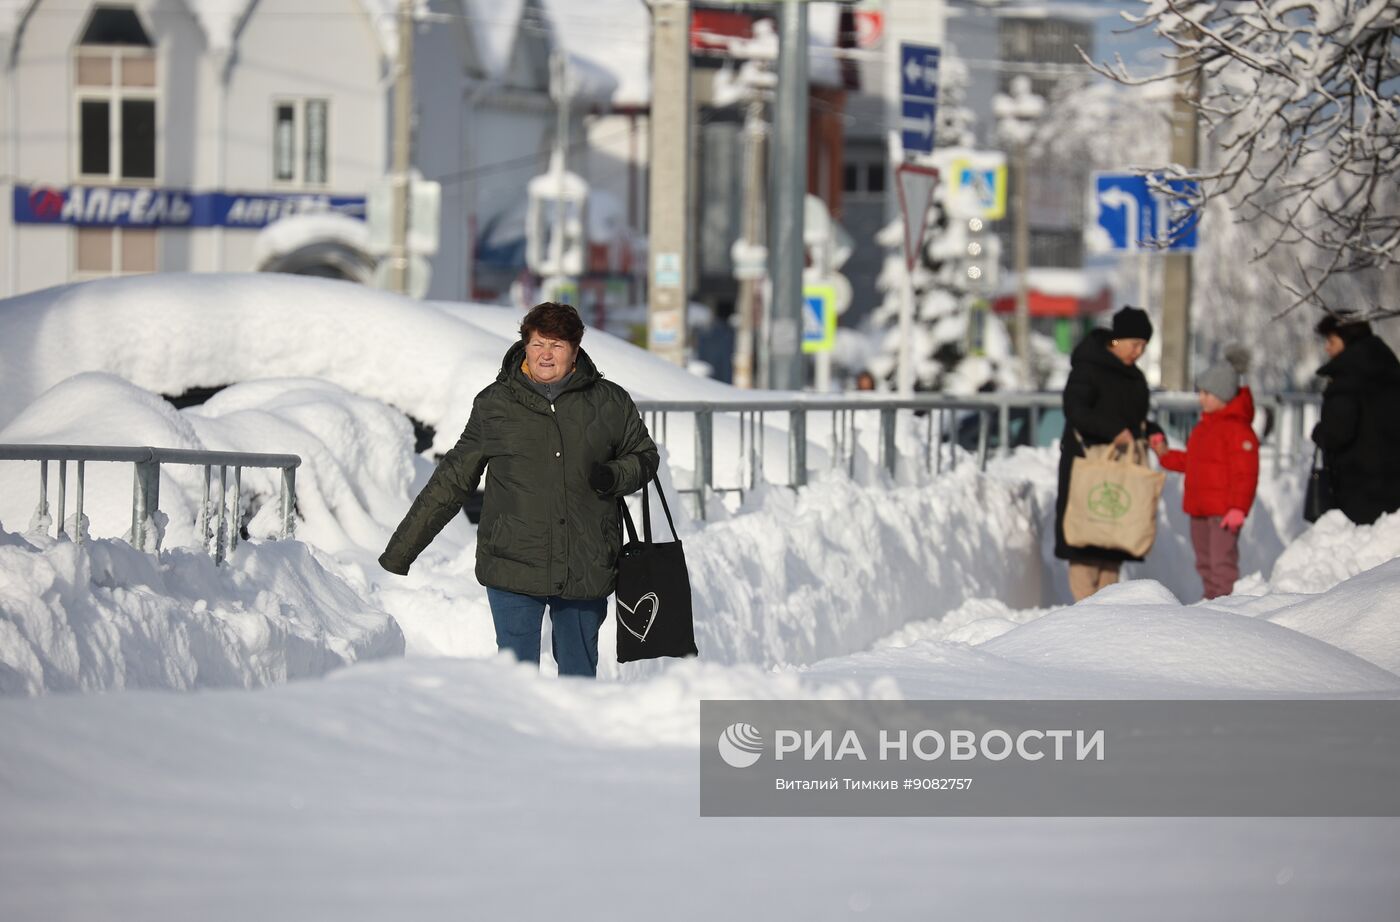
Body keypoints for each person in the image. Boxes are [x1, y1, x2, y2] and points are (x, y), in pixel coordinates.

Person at [378, 302, 659, 678]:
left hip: (585, 561)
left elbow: (644, 456)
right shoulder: (496, 404)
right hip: (513, 562)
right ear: (524, 345)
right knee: (515, 678)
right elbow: (453, 478)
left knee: (578, 676)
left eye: (557, 345)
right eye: (538, 343)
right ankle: (520, 738)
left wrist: (614, 475)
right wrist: (402, 551)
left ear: (575, 350)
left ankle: (572, 737)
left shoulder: (609, 401)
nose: (546, 354)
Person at [1055, 305, 1163, 601]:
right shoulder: (1088, 367)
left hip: (1120, 473)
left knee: (1113, 543)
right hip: (1086, 465)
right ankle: (1086, 615)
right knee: (1086, 542)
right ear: (1118, 339)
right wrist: (1113, 429)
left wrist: (1152, 431)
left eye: (1144, 346)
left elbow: (1136, 419)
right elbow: (1076, 410)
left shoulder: (1135, 378)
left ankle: (1105, 617)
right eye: (1135, 344)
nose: (1139, 352)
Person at [1150, 348, 1259, 599]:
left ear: (1223, 395)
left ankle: (1224, 607)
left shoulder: (1238, 430)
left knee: (1222, 563)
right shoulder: (1205, 427)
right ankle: (1211, 605)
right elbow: (1194, 461)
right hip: (1199, 509)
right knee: (1205, 563)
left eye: (1206, 393)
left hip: (1223, 512)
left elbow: (1246, 474)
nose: (1201, 398)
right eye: (1200, 392)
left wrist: (1238, 508)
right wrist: (1165, 454)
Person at [1310, 314, 1400, 525]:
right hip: (1393, 485)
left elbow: (1337, 432)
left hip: (1359, 488)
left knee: (1358, 553)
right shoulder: (1389, 368)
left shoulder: (1348, 377)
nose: (1327, 348)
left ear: (1347, 339)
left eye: (1331, 341)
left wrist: (1319, 433)